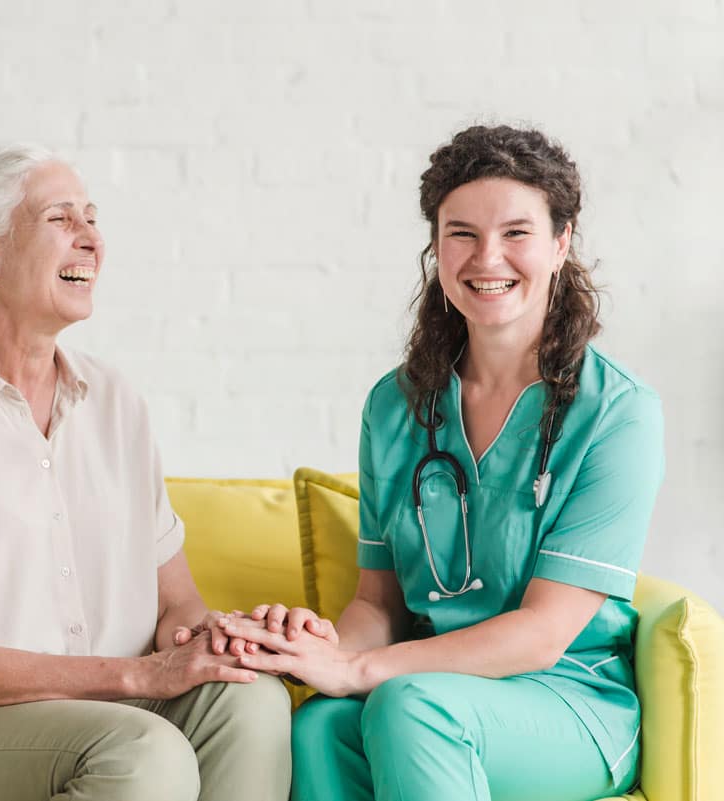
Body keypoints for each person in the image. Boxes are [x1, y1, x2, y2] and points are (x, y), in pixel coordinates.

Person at [220, 124, 664, 801]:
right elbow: (379, 601)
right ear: (436, 246)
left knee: (409, 705)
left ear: (560, 241)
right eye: (462, 233)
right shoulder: (395, 406)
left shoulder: (617, 414)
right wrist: (323, 650)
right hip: (430, 686)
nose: (487, 257)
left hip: (570, 699)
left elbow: (543, 634)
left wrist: (364, 669)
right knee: (319, 726)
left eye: (516, 232)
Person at [0, 143, 291, 801]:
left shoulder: (115, 400)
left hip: (105, 711)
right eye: (61, 219)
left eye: (92, 217)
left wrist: (213, 640)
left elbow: (177, 603)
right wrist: (143, 677)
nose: (92, 240)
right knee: (143, 753)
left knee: (253, 702)